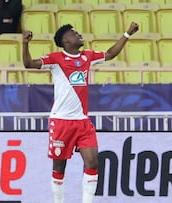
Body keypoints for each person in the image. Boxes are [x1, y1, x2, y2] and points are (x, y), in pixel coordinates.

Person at [22, 22, 139, 203]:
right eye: (73, 33)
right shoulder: (56, 59)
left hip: (82, 122)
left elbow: (110, 54)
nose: (78, 34)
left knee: (92, 162)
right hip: (61, 121)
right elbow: (29, 64)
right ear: (65, 40)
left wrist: (127, 34)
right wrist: (25, 44)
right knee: (59, 167)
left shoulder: (88, 56)